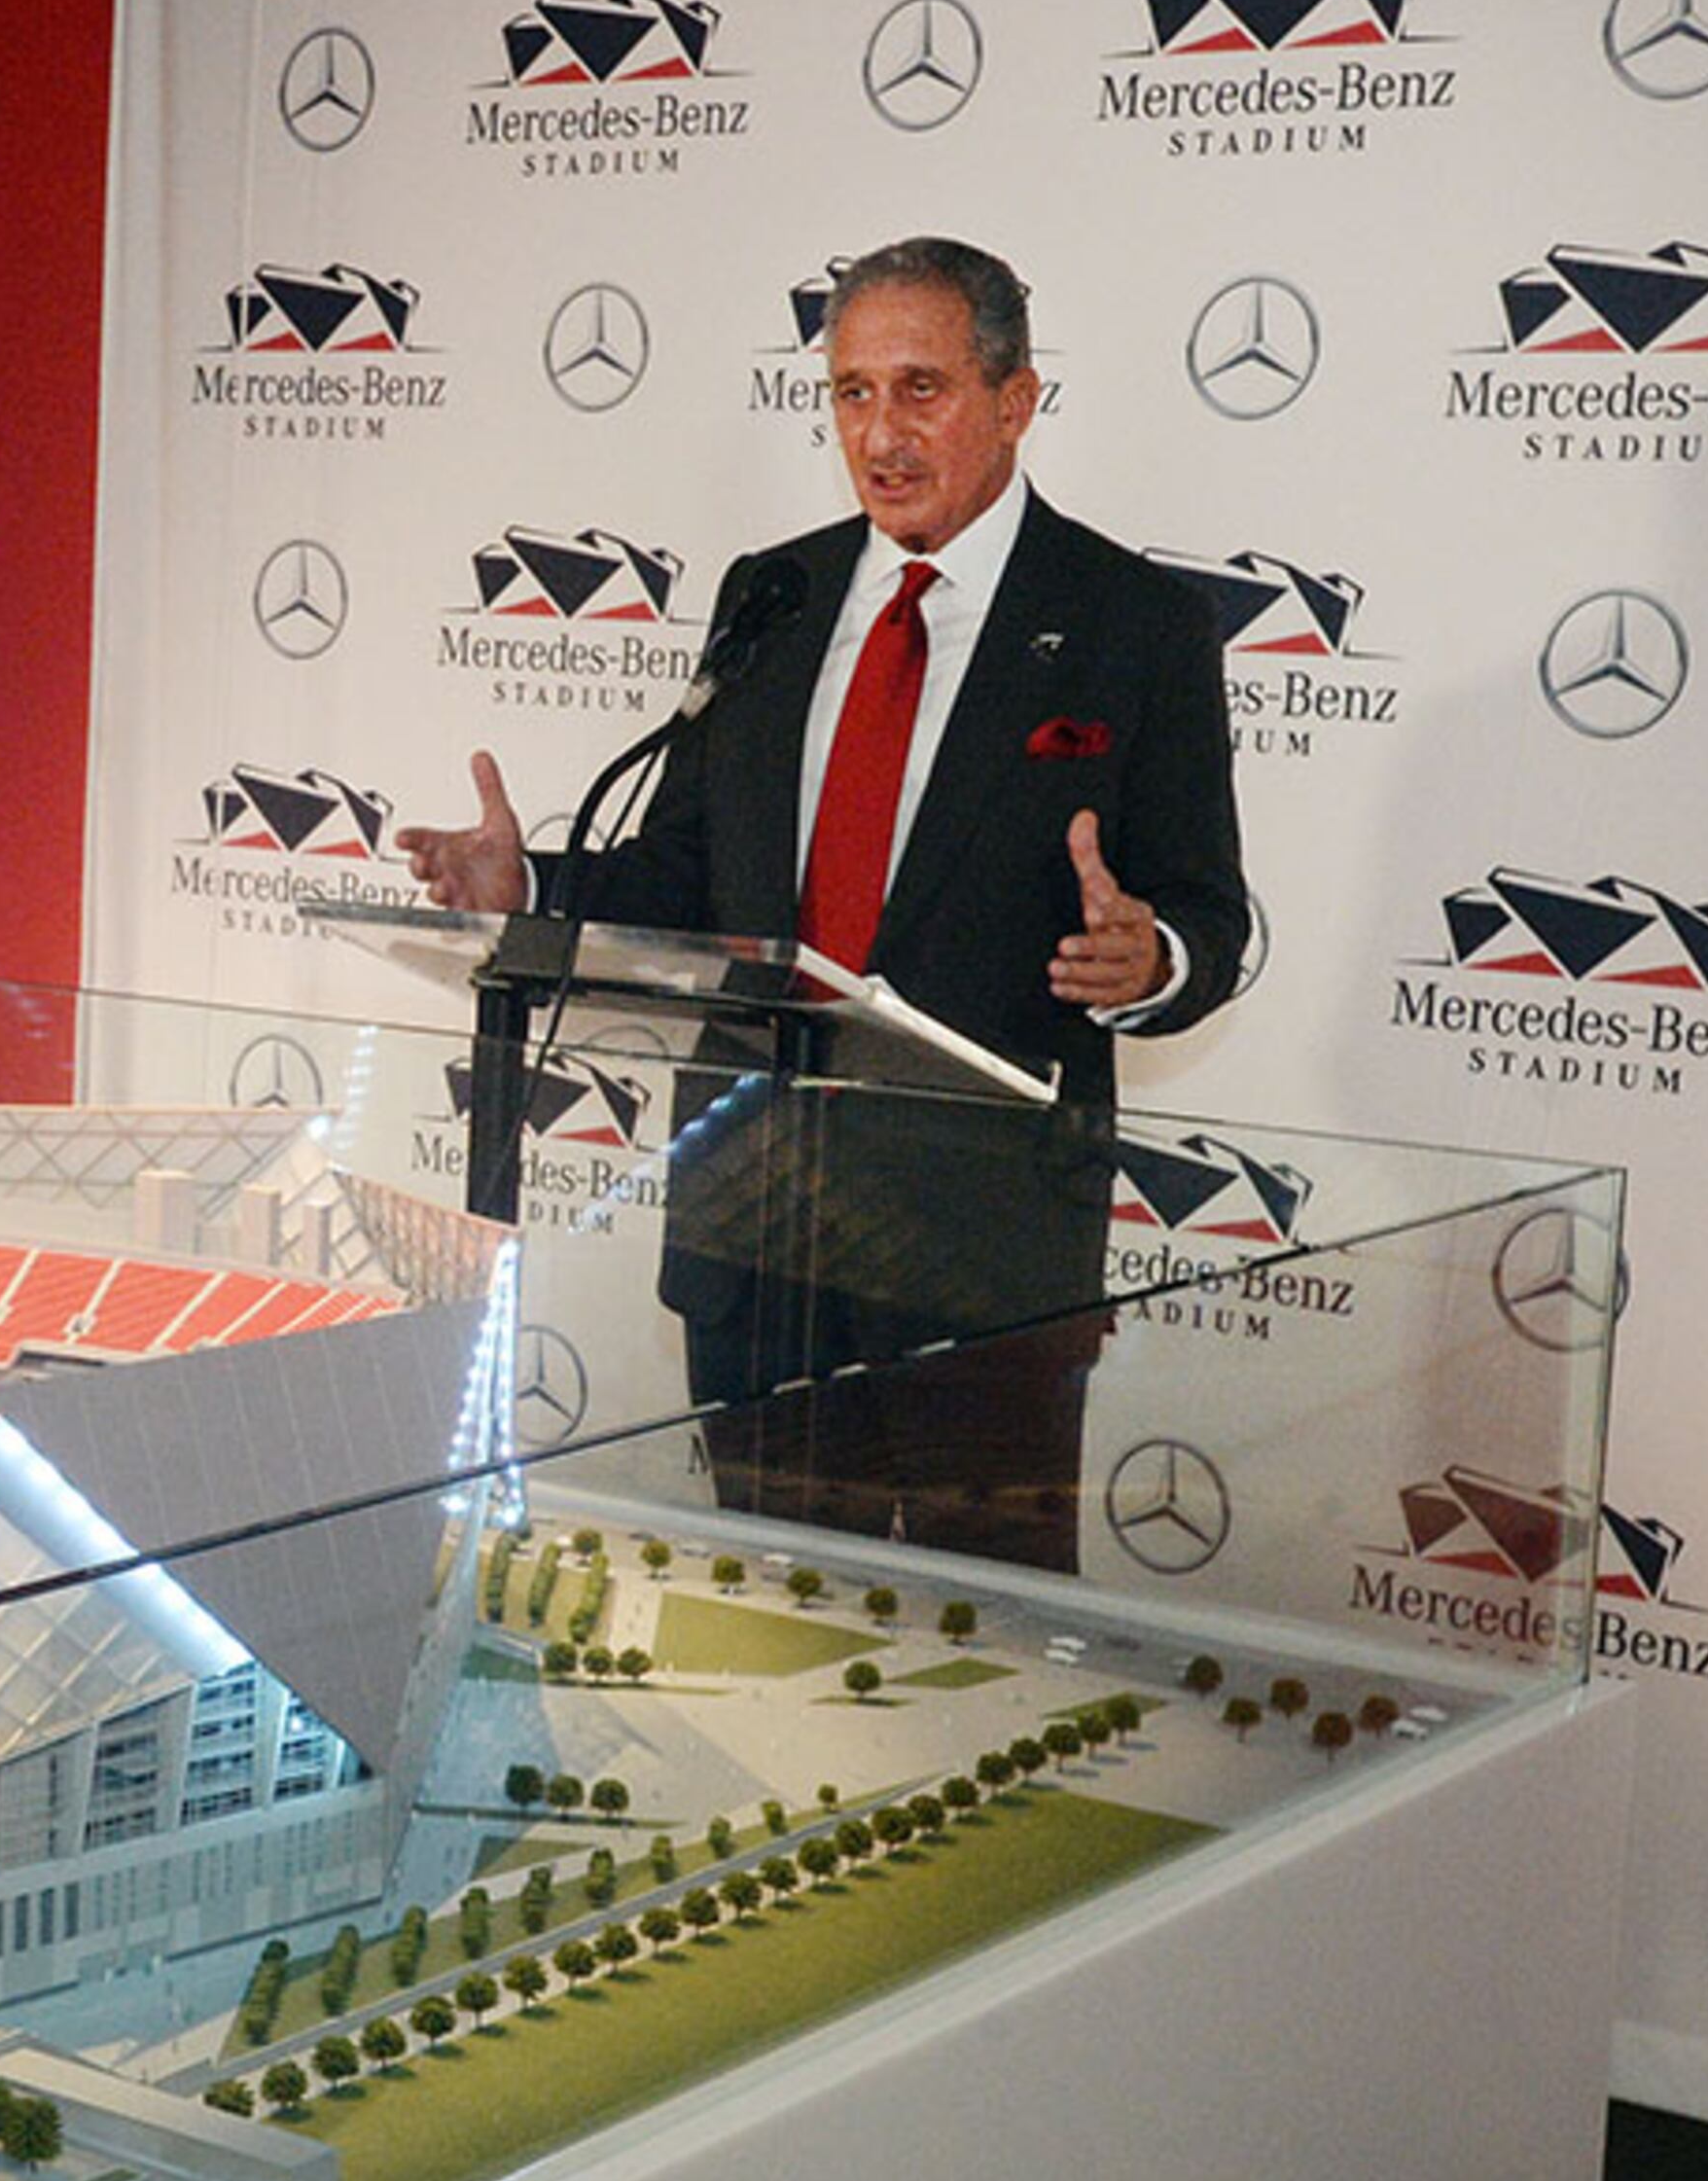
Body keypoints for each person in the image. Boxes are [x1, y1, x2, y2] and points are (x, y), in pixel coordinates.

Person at [396, 235, 1246, 1569]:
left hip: (986, 1254)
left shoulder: (1135, 623)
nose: (882, 434)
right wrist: (533, 886)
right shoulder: (774, 595)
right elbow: (690, 875)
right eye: (851, 393)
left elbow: (1210, 912)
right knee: (770, 1625)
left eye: (922, 389)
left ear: (1016, 401)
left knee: (987, 1647)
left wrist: (1152, 960)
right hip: (756, 1229)